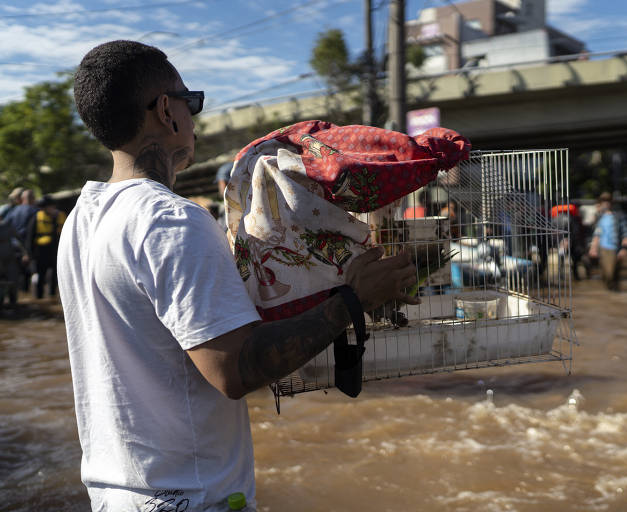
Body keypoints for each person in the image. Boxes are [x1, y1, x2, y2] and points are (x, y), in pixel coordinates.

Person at [60, 40, 419, 511]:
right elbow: (233, 369)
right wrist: (354, 299)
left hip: (114, 494)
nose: (195, 117)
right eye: (193, 102)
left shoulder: (82, 220)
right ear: (166, 111)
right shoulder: (171, 221)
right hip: (191, 498)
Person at [588, 192, 627, 291]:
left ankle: (615, 294)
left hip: (615, 248)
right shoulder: (600, 216)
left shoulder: (619, 216)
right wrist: (593, 248)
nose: (605, 204)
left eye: (607, 201)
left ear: (611, 203)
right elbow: (597, 233)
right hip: (602, 248)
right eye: (603, 201)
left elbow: (626, 232)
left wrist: (625, 248)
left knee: (611, 274)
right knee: (605, 275)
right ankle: (610, 294)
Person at [29, 195, 66, 299]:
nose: (45, 209)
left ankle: (52, 296)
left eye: (47, 206)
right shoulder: (36, 217)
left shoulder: (61, 216)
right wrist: (29, 253)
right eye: (43, 207)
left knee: (55, 275)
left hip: (56, 249)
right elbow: (30, 236)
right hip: (41, 251)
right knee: (41, 274)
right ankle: (39, 297)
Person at [5, 188, 37, 291]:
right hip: (29, 246)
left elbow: (6, 225)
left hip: (13, 246)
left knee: (16, 273)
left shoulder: (13, 211)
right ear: (33, 199)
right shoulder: (36, 211)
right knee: (29, 273)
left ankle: (18, 295)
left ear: (22, 198)